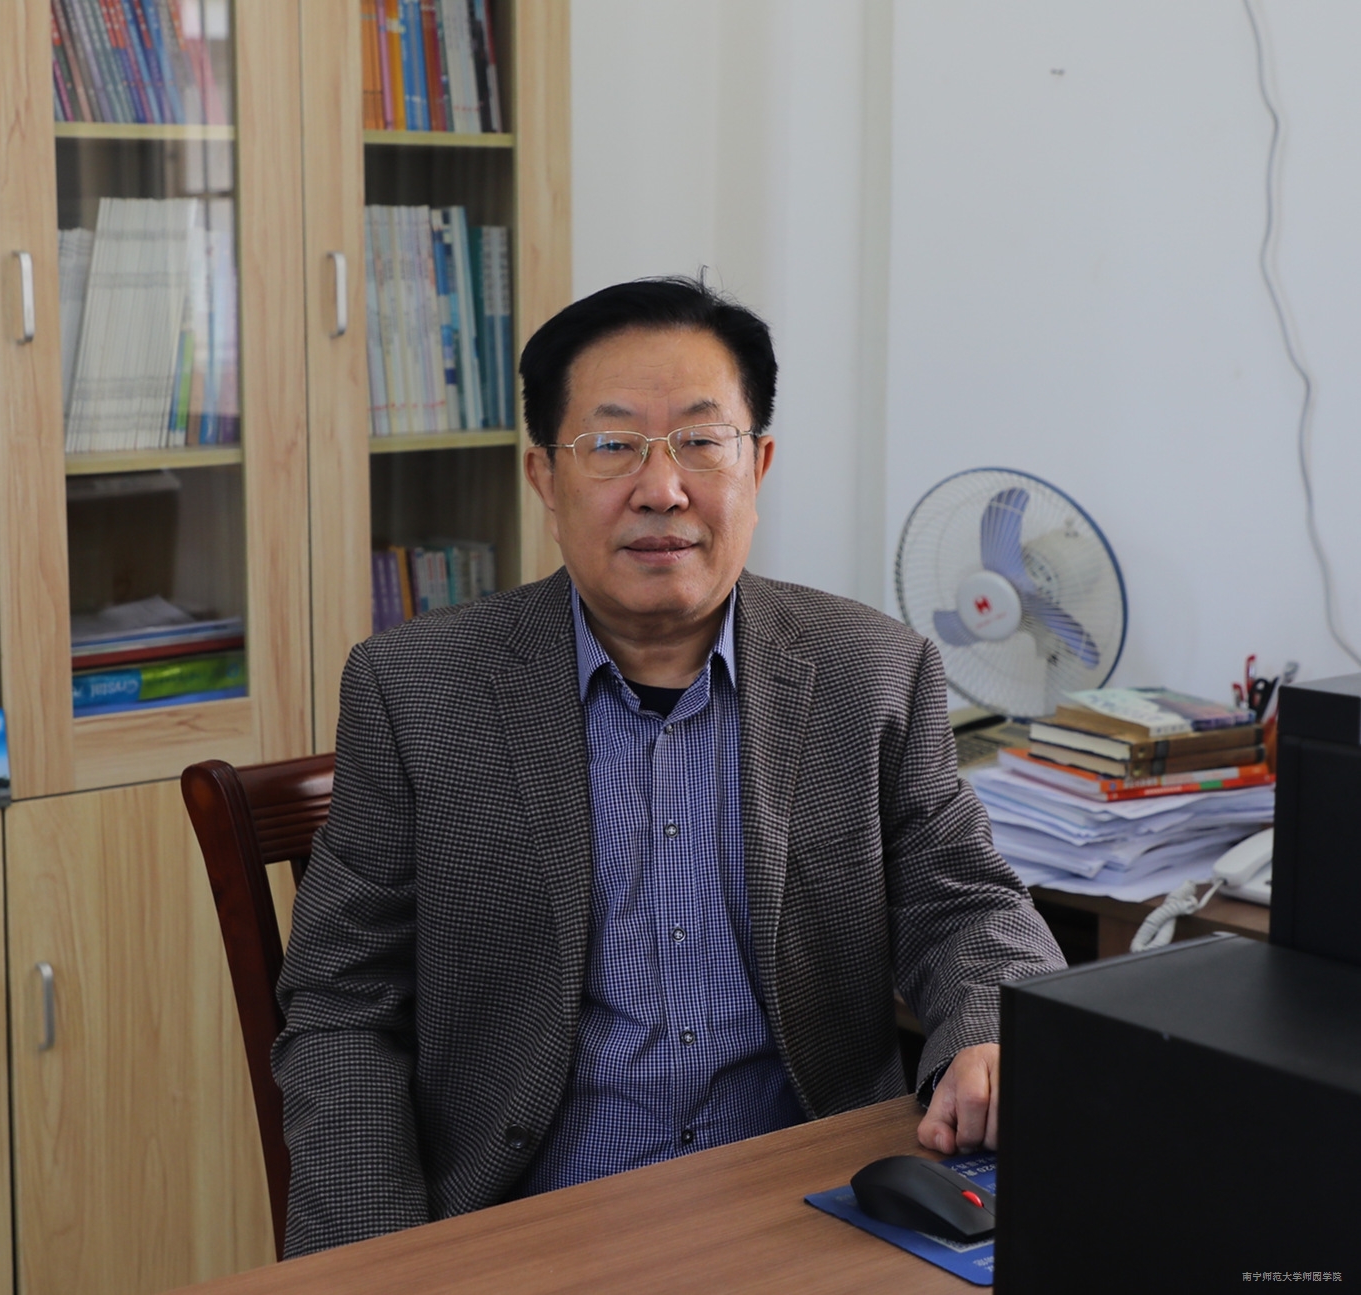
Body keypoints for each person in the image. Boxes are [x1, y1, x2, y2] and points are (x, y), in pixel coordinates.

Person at [272, 277, 1065, 1257]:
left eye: (700, 440)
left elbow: (965, 904)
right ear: (543, 477)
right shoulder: (418, 690)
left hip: (814, 1211)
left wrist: (988, 1028)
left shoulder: (872, 670)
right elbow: (343, 1006)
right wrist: (376, 1261)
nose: (662, 488)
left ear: (757, 464)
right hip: (528, 1220)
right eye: (612, 444)